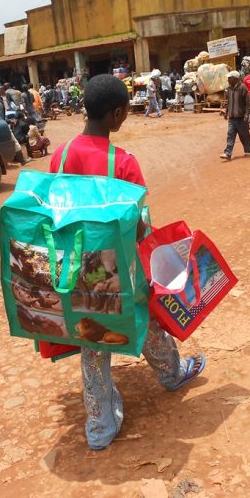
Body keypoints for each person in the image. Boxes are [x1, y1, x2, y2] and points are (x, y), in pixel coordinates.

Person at [48, 74, 205, 450]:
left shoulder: (61, 155)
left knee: (92, 339)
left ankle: (100, 427)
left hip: (75, 265)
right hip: (115, 266)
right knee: (143, 316)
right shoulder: (123, 163)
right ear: (117, 114)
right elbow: (137, 225)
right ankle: (171, 374)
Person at [220, 71, 250, 160]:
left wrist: (247, 114)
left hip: (241, 118)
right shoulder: (228, 89)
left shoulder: (242, 88)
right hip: (232, 117)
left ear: (235, 79)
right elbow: (228, 102)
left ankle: (247, 150)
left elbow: (248, 103)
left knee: (244, 135)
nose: (228, 80)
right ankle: (228, 153)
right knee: (230, 134)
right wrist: (226, 112)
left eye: (229, 78)